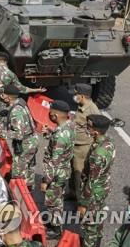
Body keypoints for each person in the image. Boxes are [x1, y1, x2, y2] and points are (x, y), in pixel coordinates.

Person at [78, 114, 115, 247]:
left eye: (89, 127)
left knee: (90, 223)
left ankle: (90, 243)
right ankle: (96, 241)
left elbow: (92, 181)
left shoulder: (98, 154)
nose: (87, 129)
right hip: (103, 187)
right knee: (97, 218)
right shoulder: (108, 143)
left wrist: (83, 203)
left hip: (94, 192)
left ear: (95, 131)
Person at [40, 100, 75, 239]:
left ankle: (55, 229)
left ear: (55, 115)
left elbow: (54, 161)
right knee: (57, 199)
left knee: (54, 201)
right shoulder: (68, 125)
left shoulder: (61, 135)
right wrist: (50, 133)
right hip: (63, 169)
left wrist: (45, 180)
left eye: (51, 113)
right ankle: (54, 223)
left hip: (56, 173)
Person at [2, 85, 39, 190]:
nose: (2, 96)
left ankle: (18, 194)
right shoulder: (20, 102)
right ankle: (29, 189)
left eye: (3, 94)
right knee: (30, 167)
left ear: (8, 97)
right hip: (32, 140)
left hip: (26, 144)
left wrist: (2, 133)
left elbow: (19, 134)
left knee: (18, 171)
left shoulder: (16, 111)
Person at [69, 83, 100, 202]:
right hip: (75, 144)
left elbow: (99, 129)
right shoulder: (81, 105)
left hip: (83, 147)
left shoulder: (92, 110)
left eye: (76, 94)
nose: (74, 96)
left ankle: (80, 201)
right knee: (73, 171)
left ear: (81, 96)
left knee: (79, 174)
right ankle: (72, 193)